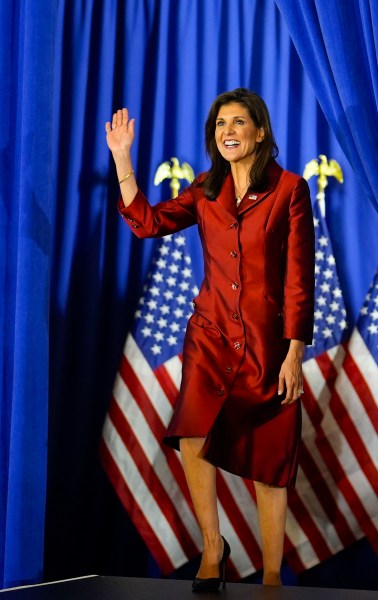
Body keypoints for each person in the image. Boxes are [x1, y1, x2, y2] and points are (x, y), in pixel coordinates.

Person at [105, 88, 315, 590]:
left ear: (259, 132)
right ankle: (213, 545)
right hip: (210, 335)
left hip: (267, 346)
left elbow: (299, 280)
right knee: (194, 433)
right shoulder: (204, 190)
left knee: (269, 460)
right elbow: (148, 224)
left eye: (239, 122)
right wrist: (122, 160)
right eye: (221, 124)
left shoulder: (290, 189)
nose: (228, 132)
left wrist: (293, 354)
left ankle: (269, 575)